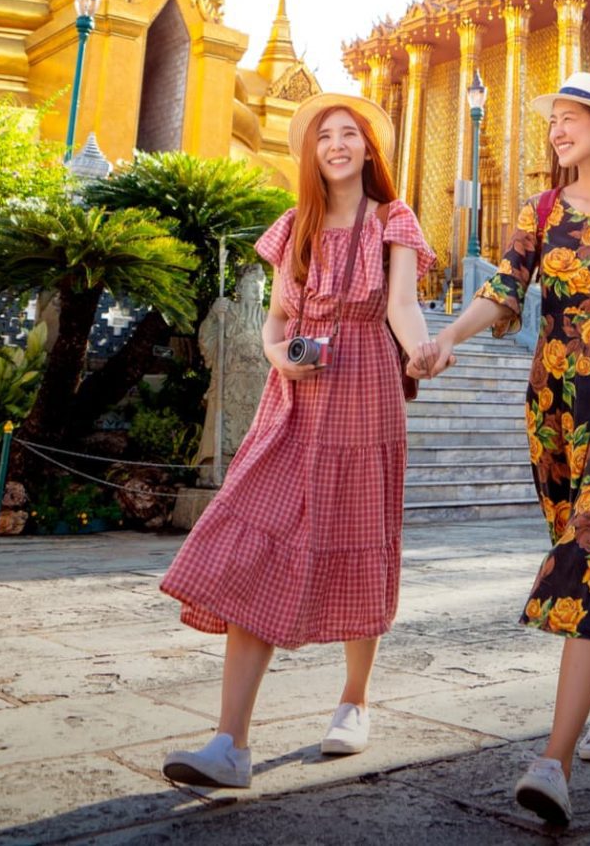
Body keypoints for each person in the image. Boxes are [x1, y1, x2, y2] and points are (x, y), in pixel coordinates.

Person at [417, 72, 590, 828]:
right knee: (580, 550)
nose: (557, 130)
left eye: (571, 119)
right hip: (552, 402)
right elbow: (503, 291)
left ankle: (554, 761)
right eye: (555, 121)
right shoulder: (540, 211)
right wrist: (444, 336)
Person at [157, 93, 437, 789]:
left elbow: (401, 306)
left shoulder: (392, 220)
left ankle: (354, 701)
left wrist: (426, 351)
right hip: (295, 401)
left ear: (371, 149)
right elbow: (277, 318)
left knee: (358, 536)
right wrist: (280, 356)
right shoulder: (296, 227)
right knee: (257, 541)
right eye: (324, 137)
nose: (337, 145)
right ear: (310, 153)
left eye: (350, 134)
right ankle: (231, 743)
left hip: (367, 389)